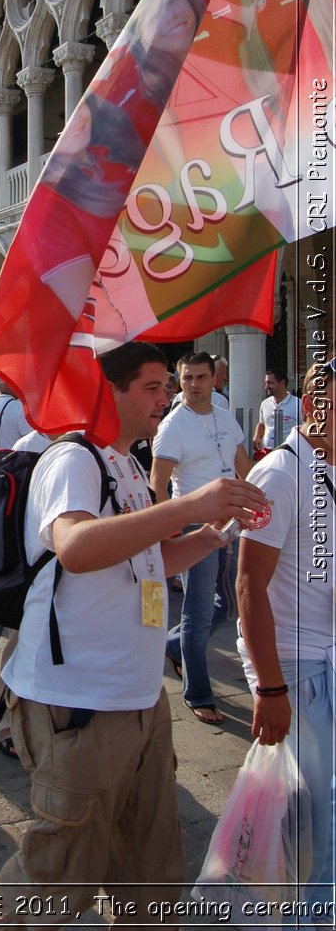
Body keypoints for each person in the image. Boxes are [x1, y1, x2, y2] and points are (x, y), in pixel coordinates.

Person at [0, 342, 266, 928]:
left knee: (151, 867)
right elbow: (77, 547)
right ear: (111, 392)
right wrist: (189, 503)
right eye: (153, 388)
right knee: (59, 870)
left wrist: (212, 534)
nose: (167, 398)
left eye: (166, 388)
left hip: (138, 697)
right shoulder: (73, 460)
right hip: (81, 702)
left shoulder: (126, 462)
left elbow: (146, 560)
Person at [236, 357, 334, 910]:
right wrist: (270, 688)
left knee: (328, 819)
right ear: (315, 407)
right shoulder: (279, 472)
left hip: (330, 657)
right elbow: (249, 585)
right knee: (310, 826)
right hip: (298, 669)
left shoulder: (329, 461)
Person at [151, 351, 253, 723]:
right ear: (179, 382)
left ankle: (174, 646)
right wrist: (172, 530)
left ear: (215, 379)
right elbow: (158, 483)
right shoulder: (174, 425)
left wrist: (262, 503)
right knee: (196, 612)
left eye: (201, 378)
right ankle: (198, 693)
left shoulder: (226, 419)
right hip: (196, 527)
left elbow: (245, 467)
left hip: (231, 525)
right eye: (188, 378)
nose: (195, 385)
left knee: (227, 605)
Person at [252, 366, 302, 454]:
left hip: (289, 452)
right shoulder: (265, 403)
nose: (266, 386)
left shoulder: (298, 404)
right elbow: (262, 424)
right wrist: (257, 436)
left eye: (270, 383)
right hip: (267, 452)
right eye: (266, 383)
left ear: (282, 383)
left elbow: (305, 428)